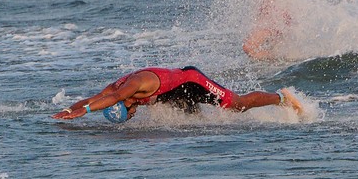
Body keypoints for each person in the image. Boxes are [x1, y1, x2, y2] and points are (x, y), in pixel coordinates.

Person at [52, 66, 301, 122]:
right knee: (193, 122)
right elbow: (95, 98)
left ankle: (282, 97)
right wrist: (69, 109)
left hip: (192, 82)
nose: (133, 115)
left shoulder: (129, 88)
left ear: (126, 104)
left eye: (129, 114)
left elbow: (103, 102)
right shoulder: (113, 92)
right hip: (173, 92)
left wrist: (82, 113)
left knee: (237, 105)